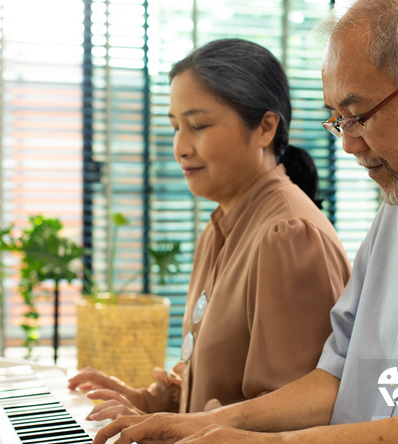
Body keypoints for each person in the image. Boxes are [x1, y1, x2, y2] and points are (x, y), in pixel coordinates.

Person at [90, 1, 398, 444]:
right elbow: (338, 376)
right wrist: (208, 426)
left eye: (358, 115)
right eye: (338, 119)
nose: (347, 143)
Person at [68, 39, 351, 419]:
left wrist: (169, 431)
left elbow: (292, 419)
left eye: (198, 126)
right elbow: (216, 387)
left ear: (266, 128)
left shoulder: (287, 234)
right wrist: (149, 403)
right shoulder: (221, 227)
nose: (180, 147)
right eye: (175, 127)